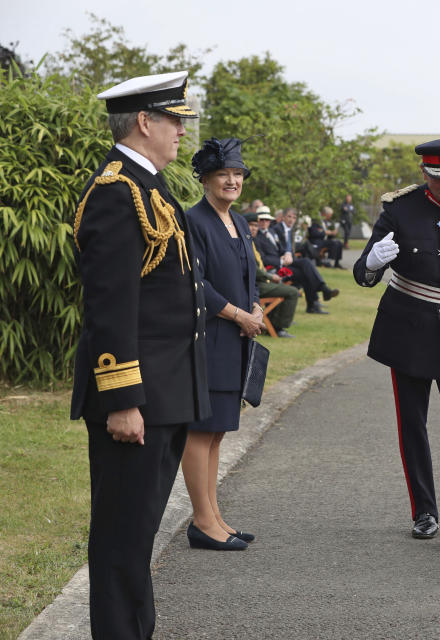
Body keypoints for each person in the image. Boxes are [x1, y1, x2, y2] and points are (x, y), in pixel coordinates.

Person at [71, 70, 210, 639]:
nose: (182, 130)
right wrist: (123, 399)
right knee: (123, 537)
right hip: (137, 400)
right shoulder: (116, 191)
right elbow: (111, 305)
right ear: (145, 122)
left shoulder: (150, 183)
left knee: (138, 534)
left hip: (166, 392)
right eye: (175, 119)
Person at [353, 139, 440, 546]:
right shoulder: (398, 209)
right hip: (409, 328)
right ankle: (424, 511)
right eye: (438, 178)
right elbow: (363, 273)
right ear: (424, 174)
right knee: (413, 423)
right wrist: (373, 263)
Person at [183, 138, 265, 551]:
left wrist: (255, 307)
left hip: (235, 341)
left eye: (238, 174)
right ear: (206, 179)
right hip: (208, 340)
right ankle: (201, 521)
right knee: (200, 431)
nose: (233, 180)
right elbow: (194, 284)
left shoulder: (240, 221)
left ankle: (213, 516)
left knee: (217, 434)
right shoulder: (193, 220)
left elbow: (247, 275)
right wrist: (239, 314)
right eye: (224, 175)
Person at [255, 210, 339, 314]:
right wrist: (281, 260)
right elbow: (263, 259)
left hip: (283, 265)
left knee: (305, 266)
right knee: (305, 267)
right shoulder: (257, 236)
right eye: (261, 220)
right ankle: (320, 294)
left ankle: (315, 302)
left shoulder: (271, 232)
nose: (264, 222)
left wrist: (286, 254)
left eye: (267, 220)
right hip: (274, 270)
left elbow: (280, 248)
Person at [246, 213, 298, 337]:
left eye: (255, 226)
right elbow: (252, 269)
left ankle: (274, 322)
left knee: (293, 281)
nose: (254, 228)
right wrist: (270, 276)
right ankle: (278, 327)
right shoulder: (245, 243)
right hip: (256, 285)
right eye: (251, 225)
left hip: (263, 279)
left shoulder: (250, 241)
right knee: (292, 292)